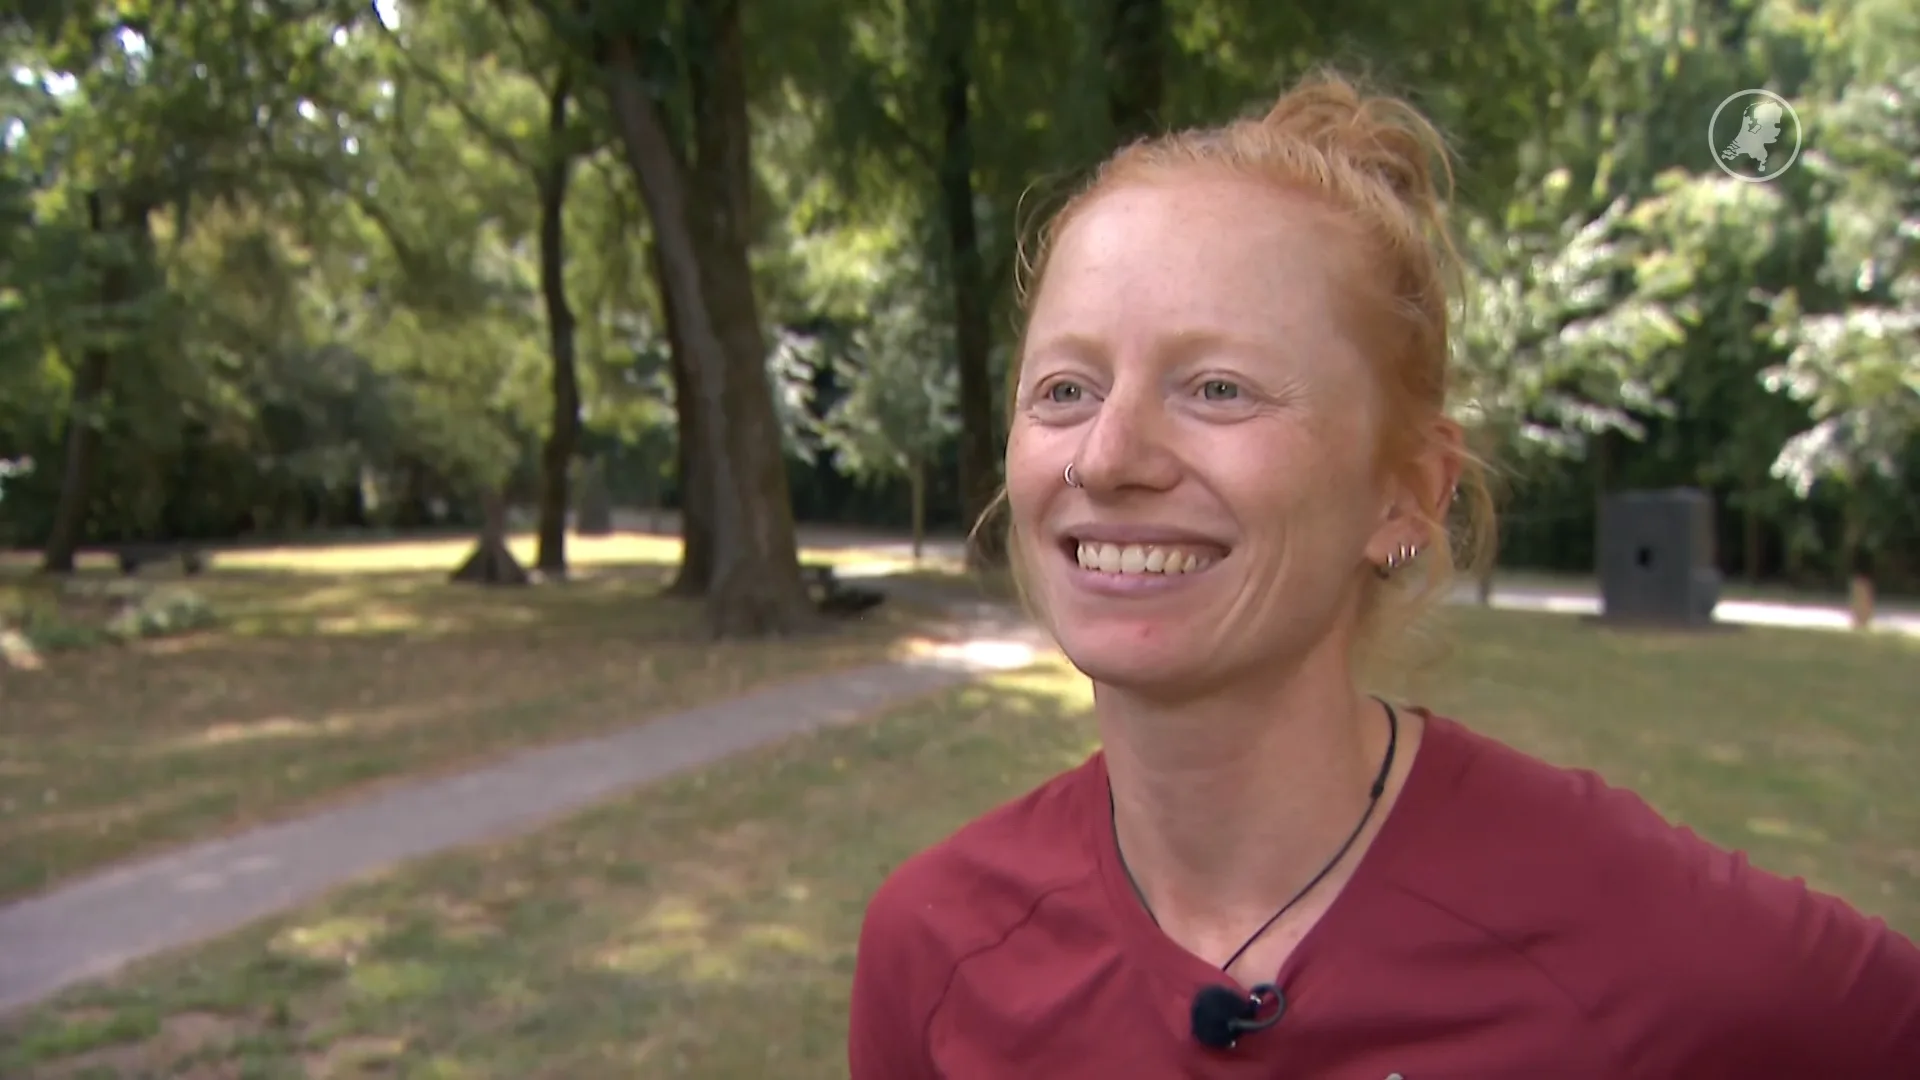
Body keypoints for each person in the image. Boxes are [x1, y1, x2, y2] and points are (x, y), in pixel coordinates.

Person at [846, 69, 1920, 1078]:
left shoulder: (1617, 916)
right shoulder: (937, 949)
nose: (1109, 455)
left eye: (1217, 389)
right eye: (1066, 390)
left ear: (1406, 491)